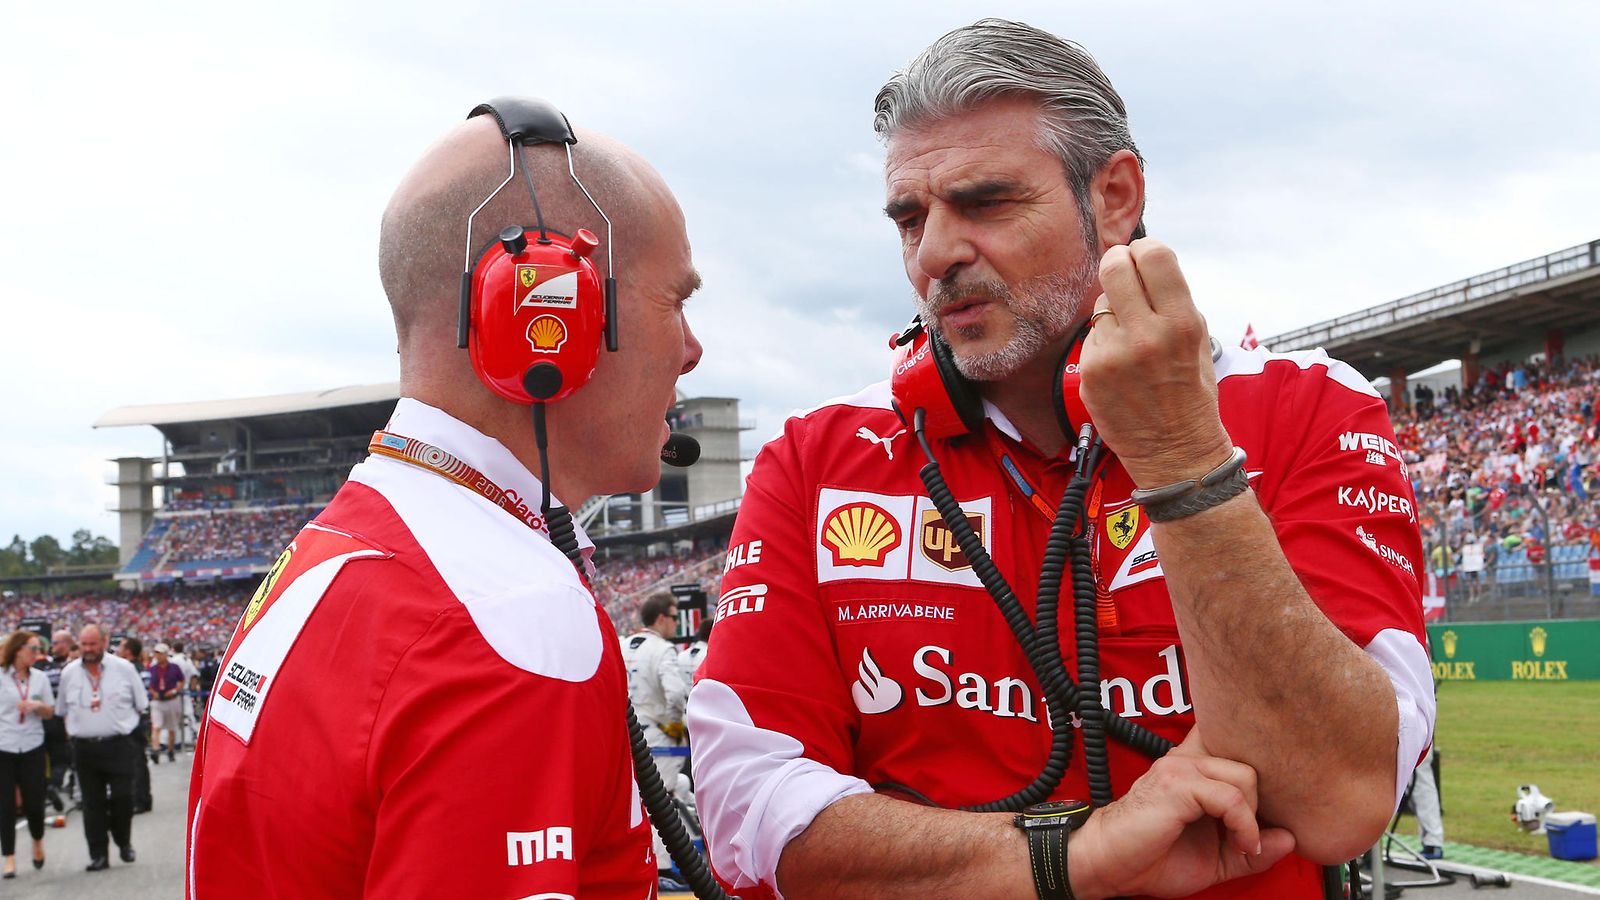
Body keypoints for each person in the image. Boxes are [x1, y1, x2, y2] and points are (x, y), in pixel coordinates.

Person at [688, 19, 1433, 899]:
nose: (934, 255)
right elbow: (746, 812)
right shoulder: (816, 460)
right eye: (910, 217)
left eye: (986, 201)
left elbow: (1342, 799)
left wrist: (1180, 454)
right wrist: (1074, 853)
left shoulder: (1309, 407)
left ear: (1114, 196)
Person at [186, 98, 704, 899]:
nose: (693, 351)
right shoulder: (509, 615)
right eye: (677, 301)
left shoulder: (336, 549)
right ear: (549, 313)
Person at [59, 624, 148, 872]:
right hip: (85, 749)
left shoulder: (124, 669)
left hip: (119, 745)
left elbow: (141, 704)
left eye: (93, 644)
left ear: (104, 642)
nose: (88, 649)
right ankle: (98, 854)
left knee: (123, 798)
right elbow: (62, 711)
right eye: (84, 644)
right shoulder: (69, 673)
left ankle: (123, 841)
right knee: (92, 803)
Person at [622, 593, 692, 871]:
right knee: (662, 801)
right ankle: (660, 868)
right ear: (661, 618)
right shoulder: (663, 649)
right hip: (659, 735)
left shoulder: (623, 644)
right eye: (675, 618)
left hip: (626, 734)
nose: (676, 624)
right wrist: (675, 723)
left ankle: (635, 864)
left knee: (632, 803)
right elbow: (675, 694)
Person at [0, 630, 55, 877]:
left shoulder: (40, 678)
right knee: (5, 805)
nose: (37, 654)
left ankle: (37, 840)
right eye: (33, 649)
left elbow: (50, 712)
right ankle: (9, 856)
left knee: (34, 801)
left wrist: (38, 706)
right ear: (19, 649)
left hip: (32, 745)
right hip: (4, 745)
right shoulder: (1, 677)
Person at [36, 629, 74, 811]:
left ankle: (43, 791)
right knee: (61, 759)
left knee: (40, 760)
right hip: (56, 719)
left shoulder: (28, 671)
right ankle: (54, 785)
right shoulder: (60, 670)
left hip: (36, 721)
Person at [117, 637, 154, 813]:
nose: (118, 649)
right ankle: (144, 798)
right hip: (142, 719)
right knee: (140, 759)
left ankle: (139, 799)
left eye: (121, 647)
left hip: (134, 720)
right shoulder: (142, 670)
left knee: (135, 761)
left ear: (129, 651)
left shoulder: (129, 670)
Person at [147, 643, 185, 762]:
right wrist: (153, 692)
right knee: (156, 726)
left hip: (171, 700)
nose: (157, 656)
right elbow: (149, 683)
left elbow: (181, 681)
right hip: (158, 700)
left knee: (171, 727)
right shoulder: (152, 669)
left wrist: (174, 691)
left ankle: (170, 750)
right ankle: (156, 750)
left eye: (160, 653)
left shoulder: (174, 667)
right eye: (156, 654)